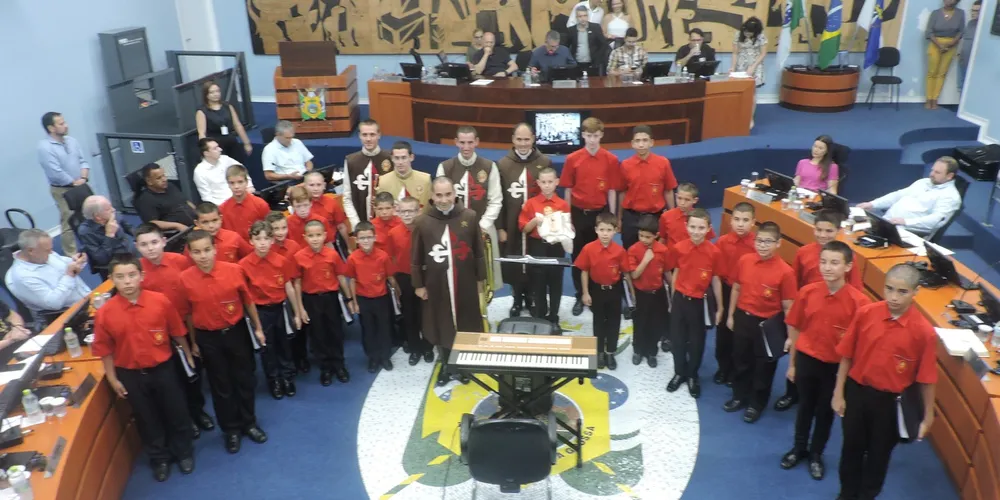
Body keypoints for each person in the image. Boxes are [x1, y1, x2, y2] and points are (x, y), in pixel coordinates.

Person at [833, 264, 937, 499]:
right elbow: (847, 356)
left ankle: (867, 495)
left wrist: (928, 416)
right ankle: (846, 494)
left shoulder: (924, 332)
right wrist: (838, 393)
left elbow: (927, 379)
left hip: (891, 404)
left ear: (915, 292)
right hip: (857, 393)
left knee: (879, 456)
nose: (893, 297)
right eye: (889, 289)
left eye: (902, 292)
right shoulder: (866, 314)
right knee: (851, 449)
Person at [93, 254, 196, 482]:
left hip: (164, 368)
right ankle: (159, 458)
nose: (127, 281)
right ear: (111, 279)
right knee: (147, 418)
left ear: (141, 276)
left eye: (132, 275)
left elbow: (177, 331)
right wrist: (112, 379)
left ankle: (184, 452)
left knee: (176, 411)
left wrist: (188, 356)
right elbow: (105, 350)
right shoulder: (104, 314)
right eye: (120, 277)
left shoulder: (160, 301)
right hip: (131, 374)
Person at [781, 241, 870, 481]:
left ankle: (816, 454)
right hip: (807, 361)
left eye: (834, 262)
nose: (827, 268)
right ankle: (798, 448)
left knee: (825, 412)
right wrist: (792, 364)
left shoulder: (860, 304)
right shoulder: (808, 292)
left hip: (834, 368)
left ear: (848, 266)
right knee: (804, 408)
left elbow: (857, 347)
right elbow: (797, 328)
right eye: (823, 262)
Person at [180, 230, 267, 454]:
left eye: (207, 250)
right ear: (190, 253)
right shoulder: (184, 279)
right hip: (207, 337)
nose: (203, 256)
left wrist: (257, 328)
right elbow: (189, 314)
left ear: (215, 249)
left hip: (236, 332)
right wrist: (194, 342)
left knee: (244, 379)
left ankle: (249, 423)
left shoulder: (234, 270)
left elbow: (248, 302)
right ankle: (231, 430)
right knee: (221, 386)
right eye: (197, 252)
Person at [134, 223, 215, 438]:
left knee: (194, 372)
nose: (150, 248)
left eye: (154, 242)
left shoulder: (180, 262)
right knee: (174, 381)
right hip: (160, 336)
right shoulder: (137, 272)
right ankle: (186, 419)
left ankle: (198, 411)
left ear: (163, 241)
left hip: (188, 326)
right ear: (137, 247)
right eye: (144, 244)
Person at [410, 177, 486, 386]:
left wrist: (481, 279)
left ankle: (463, 365)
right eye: (439, 195)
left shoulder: (469, 217)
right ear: (432, 197)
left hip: (465, 283)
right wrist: (419, 285)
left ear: (455, 193)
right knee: (441, 323)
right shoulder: (422, 221)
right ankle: (446, 364)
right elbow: (416, 256)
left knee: (465, 322)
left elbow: (479, 251)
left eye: (448, 194)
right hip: (436, 284)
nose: (444, 200)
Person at [724, 221, 797, 423]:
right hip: (743, 318)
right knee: (740, 361)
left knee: (763, 368)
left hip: (767, 326)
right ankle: (739, 396)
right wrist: (730, 315)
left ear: (778, 243)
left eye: (768, 241)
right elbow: (736, 288)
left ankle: (757, 404)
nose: (763, 245)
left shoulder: (786, 272)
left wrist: (790, 337)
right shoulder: (745, 260)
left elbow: (788, 308)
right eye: (759, 241)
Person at [560, 117, 621, 316]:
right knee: (578, 257)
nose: (592, 140)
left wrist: (612, 217)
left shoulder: (610, 159)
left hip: (600, 214)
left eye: (595, 136)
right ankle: (580, 294)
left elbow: (612, 190)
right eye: (588, 136)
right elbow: (568, 190)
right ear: (582, 136)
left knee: (599, 256)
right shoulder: (573, 159)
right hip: (578, 213)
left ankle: (595, 294)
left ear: (601, 135)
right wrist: (567, 217)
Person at [435, 126, 503, 293]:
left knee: (485, 273)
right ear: (456, 142)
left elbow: (496, 200)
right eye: (462, 142)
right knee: (457, 273)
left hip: (483, 228)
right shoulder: (445, 167)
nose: (466, 147)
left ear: (477, 142)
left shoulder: (488, 167)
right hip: (453, 229)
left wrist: (483, 225)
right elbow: (439, 200)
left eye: (470, 142)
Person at [665, 209, 723, 398]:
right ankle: (679, 372)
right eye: (692, 227)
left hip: (700, 303)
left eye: (701, 228)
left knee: (697, 342)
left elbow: (715, 280)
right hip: (680, 300)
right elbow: (676, 273)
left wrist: (720, 307)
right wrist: (673, 301)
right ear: (686, 227)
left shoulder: (714, 252)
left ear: (708, 229)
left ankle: (692, 375)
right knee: (677, 340)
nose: (696, 231)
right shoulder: (679, 248)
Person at [239, 221, 301, 400]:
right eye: (258, 239)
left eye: (266, 239)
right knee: (267, 347)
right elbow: (245, 297)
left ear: (273, 240)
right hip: (260, 312)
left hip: (281, 309)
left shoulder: (281, 261)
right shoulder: (243, 265)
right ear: (251, 241)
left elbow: (289, 287)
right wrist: (254, 323)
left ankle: (288, 377)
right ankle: (273, 380)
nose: (263, 243)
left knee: (285, 344)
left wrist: (296, 313)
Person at [497, 123, 552, 317]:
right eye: (519, 139)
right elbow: (498, 198)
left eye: (526, 139)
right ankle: (517, 299)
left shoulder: (544, 161)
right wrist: (500, 227)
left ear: (534, 139)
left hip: (538, 226)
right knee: (514, 262)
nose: (523, 144)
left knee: (535, 262)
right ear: (513, 139)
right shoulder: (503, 164)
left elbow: (550, 194)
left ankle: (532, 297)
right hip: (512, 225)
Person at [293, 220, 354, 386]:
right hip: (311, 300)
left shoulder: (332, 255)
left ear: (325, 236)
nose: (315, 239)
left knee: (335, 332)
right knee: (318, 335)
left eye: (318, 235)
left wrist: (349, 299)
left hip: (331, 299)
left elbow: (341, 277)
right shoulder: (299, 257)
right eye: (311, 236)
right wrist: (300, 308)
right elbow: (297, 283)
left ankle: (339, 365)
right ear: (305, 237)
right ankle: (325, 368)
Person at [575, 213, 630, 370]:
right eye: (602, 230)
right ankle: (599, 352)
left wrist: (631, 296)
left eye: (609, 230)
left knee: (614, 322)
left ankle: (610, 352)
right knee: (598, 322)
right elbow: (584, 271)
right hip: (597, 290)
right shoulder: (588, 249)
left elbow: (626, 273)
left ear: (615, 231)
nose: (605, 234)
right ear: (596, 230)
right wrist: (585, 293)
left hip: (614, 291)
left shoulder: (620, 252)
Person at [855, 156, 962, 236]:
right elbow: (898, 195)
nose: (931, 174)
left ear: (949, 176)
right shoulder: (923, 182)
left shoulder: (950, 196)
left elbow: (935, 221)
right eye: (932, 170)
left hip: (906, 232)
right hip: (886, 222)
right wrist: (872, 204)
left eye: (937, 172)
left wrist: (905, 222)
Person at [518, 167, 570, 327]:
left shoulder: (563, 204)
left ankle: (554, 315)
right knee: (538, 282)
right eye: (544, 182)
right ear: (538, 183)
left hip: (556, 247)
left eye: (550, 182)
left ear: (557, 182)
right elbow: (524, 229)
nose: (547, 186)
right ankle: (540, 314)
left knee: (556, 282)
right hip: (537, 246)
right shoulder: (531, 204)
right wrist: (534, 221)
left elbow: (567, 228)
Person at [346, 221, 399, 372]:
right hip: (363, 300)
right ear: (356, 240)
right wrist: (354, 302)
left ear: (375, 237)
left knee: (384, 328)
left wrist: (397, 296)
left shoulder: (383, 256)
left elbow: (390, 278)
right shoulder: (353, 259)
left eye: (369, 237)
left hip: (382, 299)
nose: (366, 241)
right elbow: (352, 281)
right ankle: (373, 358)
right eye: (362, 238)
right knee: (368, 330)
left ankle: (385, 357)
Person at [4, 229, 91, 320]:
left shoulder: (44, 254)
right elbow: (54, 304)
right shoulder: (22, 277)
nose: (51, 252)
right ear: (30, 251)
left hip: (88, 299)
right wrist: (69, 276)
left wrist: (78, 261)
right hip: (70, 316)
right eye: (47, 250)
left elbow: (69, 265)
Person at [386, 197, 433, 366]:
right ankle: (415, 348)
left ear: (418, 211)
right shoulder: (393, 233)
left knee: (426, 314)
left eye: (411, 211)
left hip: (425, 276)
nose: (407, 214)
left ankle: (428, 346)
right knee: (410, 315)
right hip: (405, 278)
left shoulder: (427, 231)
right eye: (403, 211)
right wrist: (395, 283)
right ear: (397, 212)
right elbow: (391, 258)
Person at [714, 202, 756, 385]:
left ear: (753, 222)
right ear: (731, 221)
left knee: (741, 337)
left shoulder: (757, 244)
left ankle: (735, 371)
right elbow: (716, 271)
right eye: (737, 219)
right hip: (726, 289)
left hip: (746, 294)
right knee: (723, 333)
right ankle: (723, 369)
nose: (741, 224)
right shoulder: (722, 242)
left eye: (745, 220)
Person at [37, 112, 89, 255]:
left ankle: (94, 243)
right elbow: (55, 172)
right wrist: (74, 182)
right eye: (61, 124)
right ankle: (71, 254)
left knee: (92, 213)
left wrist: (83, 178)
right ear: (51, 128)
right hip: (62, 189)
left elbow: (82, 160)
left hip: (81, 184)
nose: (66, 125)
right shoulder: (45, 147)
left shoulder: (72, 141)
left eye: (64, 122)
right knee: (69, 221)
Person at [619, 125, 678, 252]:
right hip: (631, 217)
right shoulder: (625, 165)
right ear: (632, 144)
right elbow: (622, 192)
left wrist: (672, 216)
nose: (641, 144)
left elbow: (668, 190)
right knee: (629, 253)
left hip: (655, 216)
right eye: (638, 141)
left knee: (655, 255)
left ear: (652, 142)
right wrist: (619, 217)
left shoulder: (663, 163)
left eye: (645, 140)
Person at [264, 211, 308, 373]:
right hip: (276, 297)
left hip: (293, 294)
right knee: (281, 334)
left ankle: (301, 358)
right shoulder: (267, 249)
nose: (281, 232)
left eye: (284, 228)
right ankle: (287, 363)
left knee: (299, 328)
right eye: (276, 229)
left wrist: (299, 306)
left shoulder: (294, 246)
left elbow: (297, 278)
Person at [627, 216, 669, 367]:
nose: (644, 239)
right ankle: (638, 350)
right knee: (640, 324)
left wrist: (674, 291)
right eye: (641, 235)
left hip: (657, 293)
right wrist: (645, 260)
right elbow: (634, 275)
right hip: (640, 294)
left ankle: (652, 352)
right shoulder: (633, 250)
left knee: (655, 324)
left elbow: (667, 273)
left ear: (656, 235)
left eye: (648, 237)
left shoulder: (663, 250)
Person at [343, 119, 393, 228]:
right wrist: (356, 224)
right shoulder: (351, 161)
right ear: (359, 136)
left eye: (372, 134)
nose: (368, 139)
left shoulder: (390, 157)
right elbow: (347, 196)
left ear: (379, 135)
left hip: (387, 223)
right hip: (361, 221)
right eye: (364, 135)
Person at [78, 195, 136, 278]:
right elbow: (102, 259)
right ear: (98, 216)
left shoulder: (114, 214)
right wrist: (109, 235)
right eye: (108, 209)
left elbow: (129, 227)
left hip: (132, 251)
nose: (113, 210)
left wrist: (140, 237)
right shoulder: (86, 232)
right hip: (117, 263)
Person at [195, 80, 252, 163]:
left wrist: (246, 143)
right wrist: (206, 149)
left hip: (231, 142)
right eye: (212, 92)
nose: (216, 94)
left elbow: (237, 125)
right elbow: (202, 133)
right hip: (215, 145)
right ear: (206, 95)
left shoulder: (227, 106)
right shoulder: (202, 111)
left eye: (217, 91)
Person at [134, 163, 197, 233]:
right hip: (179, 232)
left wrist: (198, 213)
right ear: (149, 181)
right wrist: (177, 226)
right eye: (159, 178)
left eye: (164, 175)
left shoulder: (170, 186)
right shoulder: (146, 199)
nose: (164, 179)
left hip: (195, 224)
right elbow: (152, 223)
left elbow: (186, 201)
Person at [926, 0, 966, 109]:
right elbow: (929, 32)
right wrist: (939, 45)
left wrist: (951, 43)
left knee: (942, 73)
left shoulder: (960, 13)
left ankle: (935, 99)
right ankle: (929, 99)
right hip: (935, 44)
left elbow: (961, 31)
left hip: (951, 45)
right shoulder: (935, 13)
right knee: (932, 72)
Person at [193, 138, 256, 206]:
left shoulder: (225, 159)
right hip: (223, 205)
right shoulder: (200, 172)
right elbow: (207, 198)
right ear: (206, 153)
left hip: (242, 197)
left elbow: (242, 170)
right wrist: (225, 206)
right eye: (215, 148)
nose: (220, 149)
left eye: (218, 146)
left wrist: (249, 186)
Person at [730, 17, 767, 128]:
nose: (747, 34)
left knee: (752, 92)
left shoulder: (761, 37)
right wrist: (732, 67)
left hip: (756, 64)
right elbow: (735, 53)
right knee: (740, 90)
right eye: (745, 31)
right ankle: (739, 115)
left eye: (750, 33)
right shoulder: (738, 35)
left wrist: (753, 66)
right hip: (741, 64)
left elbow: (763, 54)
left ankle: (750, 118)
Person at [303, 172, 351, 254]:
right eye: (311, 185)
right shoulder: (302, 206)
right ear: (305, 186)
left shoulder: (331, 202)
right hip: (309, 248)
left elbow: (341, 226)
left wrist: (349, 247)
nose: (315, 188)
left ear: (324, 185)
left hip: (332, 245)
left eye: (319, 185)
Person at [187, 202, 252, 264]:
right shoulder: (192, 243)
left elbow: (250, 256)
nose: (211, 226)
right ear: (197, 223)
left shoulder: (233, 237)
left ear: (221, 218)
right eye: (205, 222)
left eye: (214, 220)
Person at [286, 186, 347, 250]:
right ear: (292, 206)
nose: (302, 210)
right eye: (298, 206)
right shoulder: (287, 223)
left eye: (305, 205)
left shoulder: (322, 221)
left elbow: (329, 244)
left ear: (311, 204)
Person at [219, 164, 270, 241]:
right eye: (232, 183)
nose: (236, 186)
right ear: (228, 184)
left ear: (246, 182)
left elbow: (269, 232)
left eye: (240, 182)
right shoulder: (222, 209)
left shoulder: (260, 205)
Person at [376, 141, 432, 210]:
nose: (400, 162)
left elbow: (430, 209)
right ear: (392, 158)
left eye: (404, 158)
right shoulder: (383, 181)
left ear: (411, 157)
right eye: (397, 158)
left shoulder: (425, 180)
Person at [658, 183, 715, 248]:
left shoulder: (702, 219)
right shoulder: (665, 216)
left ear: (695, 200)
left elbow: (707, 241)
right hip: (672, 255)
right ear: (676, 196)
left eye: (687, 199)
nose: (682, 203)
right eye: (679, 198)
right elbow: (662, 239)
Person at [564, 5, 609, 75]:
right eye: (580, 16)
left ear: (588, 16)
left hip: (593, 65)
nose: (583, 18)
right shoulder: (571, 30)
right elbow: (566, 47)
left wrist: (597, 59)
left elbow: (604, 45)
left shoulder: (595, 28)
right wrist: (571, 60)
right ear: (576, 17)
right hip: (577, 65)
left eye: (585, 15)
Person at [958, 0, 981, 91]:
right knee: (961, 85)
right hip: (963, 60)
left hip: (975, 64)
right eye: (972, 10)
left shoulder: (983, 26)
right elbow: (964, 39)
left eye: (976, 11)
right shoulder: (970, 23)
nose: (973, 13)